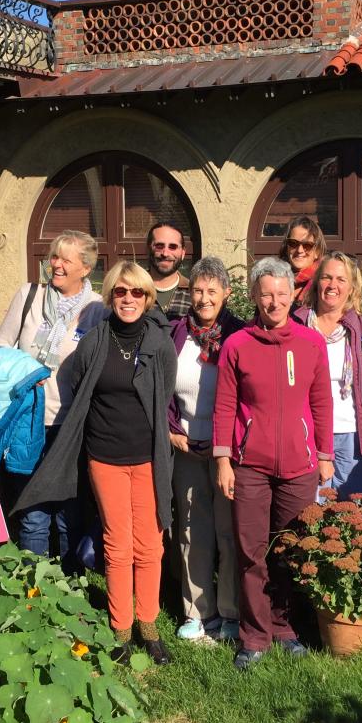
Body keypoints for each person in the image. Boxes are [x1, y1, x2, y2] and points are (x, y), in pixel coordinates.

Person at [15, 261, 178, 664]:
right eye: (121, 292)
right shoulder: (93, 342)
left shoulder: (160, 344)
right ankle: (122, 631)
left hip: (147, 457)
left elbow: (166, 392)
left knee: (151, 546)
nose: (128, 299)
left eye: (136, 293)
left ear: (147, 298)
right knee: (118, 545)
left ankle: (150, 626)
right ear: (110, 296)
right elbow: (79, 384)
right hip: (105, 457)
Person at [212, 257, 334, 670]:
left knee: (289, 550)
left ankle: (284, 628)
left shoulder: (310, 343)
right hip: (249, 466)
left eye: (281, 293)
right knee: (252, 553)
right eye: (266, 293)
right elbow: (226, 405)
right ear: (253, 297)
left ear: (292, 296)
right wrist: (223, 459)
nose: (274, 301)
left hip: (299, 467)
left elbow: (321, 402)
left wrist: (324, 454)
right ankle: (254, 637)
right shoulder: (237, 345)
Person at [0, 230, 106, 558]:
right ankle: (34, 587)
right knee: (32, 509)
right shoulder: (29, 295)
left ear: (85, 268)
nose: (55, 264)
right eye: (54, 256)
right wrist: (20, 371)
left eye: (65, 260)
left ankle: (69, 589)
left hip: (70, 424)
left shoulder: (97, 309)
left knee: (69, 510)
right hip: (27, 418)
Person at [166, 256, 244, 643]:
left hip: (226, 452)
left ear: (226, 294)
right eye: (198, 289)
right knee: (192, 532)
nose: (204, 297)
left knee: (229, 532)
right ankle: (198, 612)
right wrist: (170, 429)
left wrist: (225, 447)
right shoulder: (176, 333)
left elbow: (247, 396)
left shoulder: (239, 335)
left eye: (213, 290)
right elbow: (161, 388)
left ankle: (230, 611)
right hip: (184, 446)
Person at [295, 251, 362, 499]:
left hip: (354, 435)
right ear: (316, 282)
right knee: (309, 511)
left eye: (341, 279)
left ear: (352, 286)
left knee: (349, 516)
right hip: (306, 433)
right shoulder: (296, 326)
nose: (333, 285)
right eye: (327, 277)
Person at [146, 221, 192, 320]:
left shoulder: (194, 293)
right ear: (148, 249)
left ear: (183, 253)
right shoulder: (132, 289)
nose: (165, 253)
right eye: (159, 246)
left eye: (173, 247)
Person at [277, 215, 325, 305]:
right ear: (287, 247)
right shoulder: (275, 280)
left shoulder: (323, 284)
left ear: (317, 252)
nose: (299, 250)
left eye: (307, 245)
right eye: (293, 243)